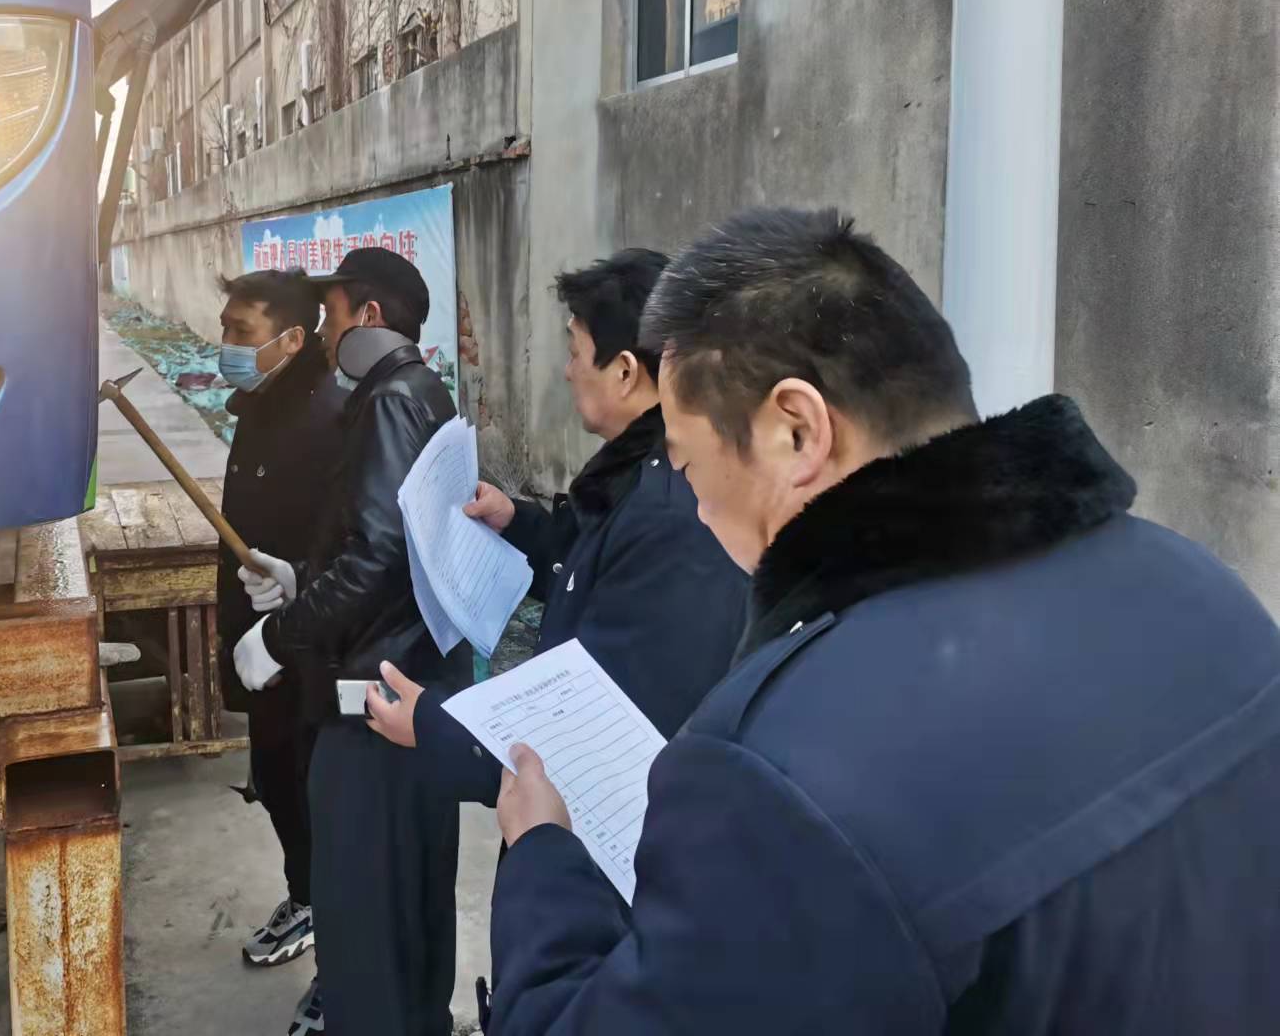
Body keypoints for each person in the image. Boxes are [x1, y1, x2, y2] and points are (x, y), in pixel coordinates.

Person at [489, 208, 1280, 1034]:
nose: (695, 503)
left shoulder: (782, 773)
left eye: (687, 463)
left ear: (796, 431)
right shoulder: (1204, 590)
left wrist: (544, 857)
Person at [366, 249, 747, 812]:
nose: (568, 371)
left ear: (625, 371)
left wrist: (435, 727)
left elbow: (599, 730)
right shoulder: (639, 472)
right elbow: (597, 570)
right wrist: (518, 522)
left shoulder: (673, 516)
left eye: (574, 352)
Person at [232, 247, 469, 1036]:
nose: (327, 334)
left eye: (332, 316)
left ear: (369, 315)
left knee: (364, 906)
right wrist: (301, 575)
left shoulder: (387, 401)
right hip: (409, 677)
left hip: (372, 698)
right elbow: (392, 546)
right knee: (408, 899)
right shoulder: (420, 389)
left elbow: (377, 557)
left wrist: (281, 633)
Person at [213, 270, 346, 971]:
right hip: (256, 633)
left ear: (292, 339)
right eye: (225, 327)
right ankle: (308, 894)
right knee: (273, 773)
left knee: (308, 786)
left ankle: (336, 928)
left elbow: (353, 547)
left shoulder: (328, 419)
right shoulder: (260, 404)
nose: (227, 343)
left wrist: (298, 581)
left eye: (243, 331)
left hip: (303, 644)